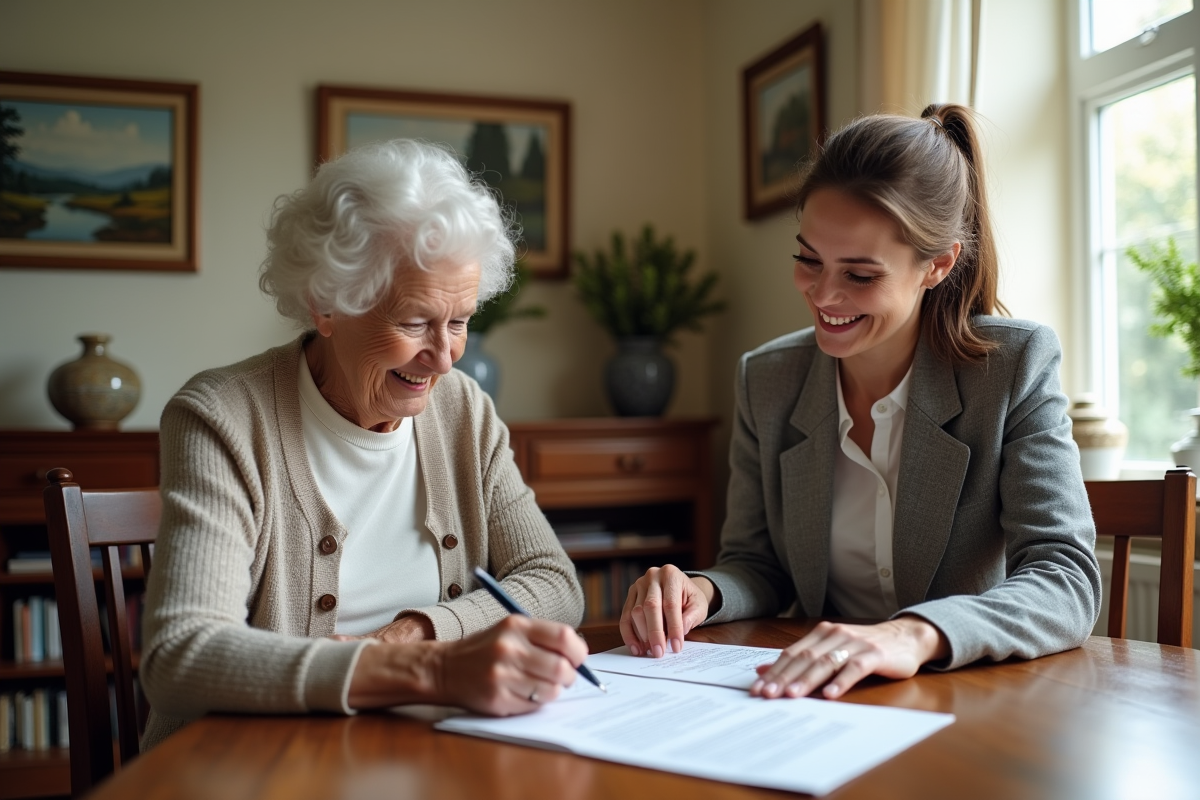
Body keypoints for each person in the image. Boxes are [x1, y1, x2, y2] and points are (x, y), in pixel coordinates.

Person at [620, 104, 1102, 701]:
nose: (824, 295)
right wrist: (704, 591)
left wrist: (913, 634)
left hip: (969, 697)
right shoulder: (766, 380)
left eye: (861, 275)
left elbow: (1065, 579)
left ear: (938, 265)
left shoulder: (1012, 367)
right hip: (825, 697)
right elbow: (757, 564)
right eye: (808, 260)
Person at [141, 140, 586, 749]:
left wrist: (420, 633)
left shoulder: (464, 412)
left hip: (422, 756)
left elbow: (554, 584)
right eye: (414, 322)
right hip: (254, 765)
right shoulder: (224, 418)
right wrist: (429, 672)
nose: (444, 358)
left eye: (459, 321)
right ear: (328, 304)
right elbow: (181, 656)